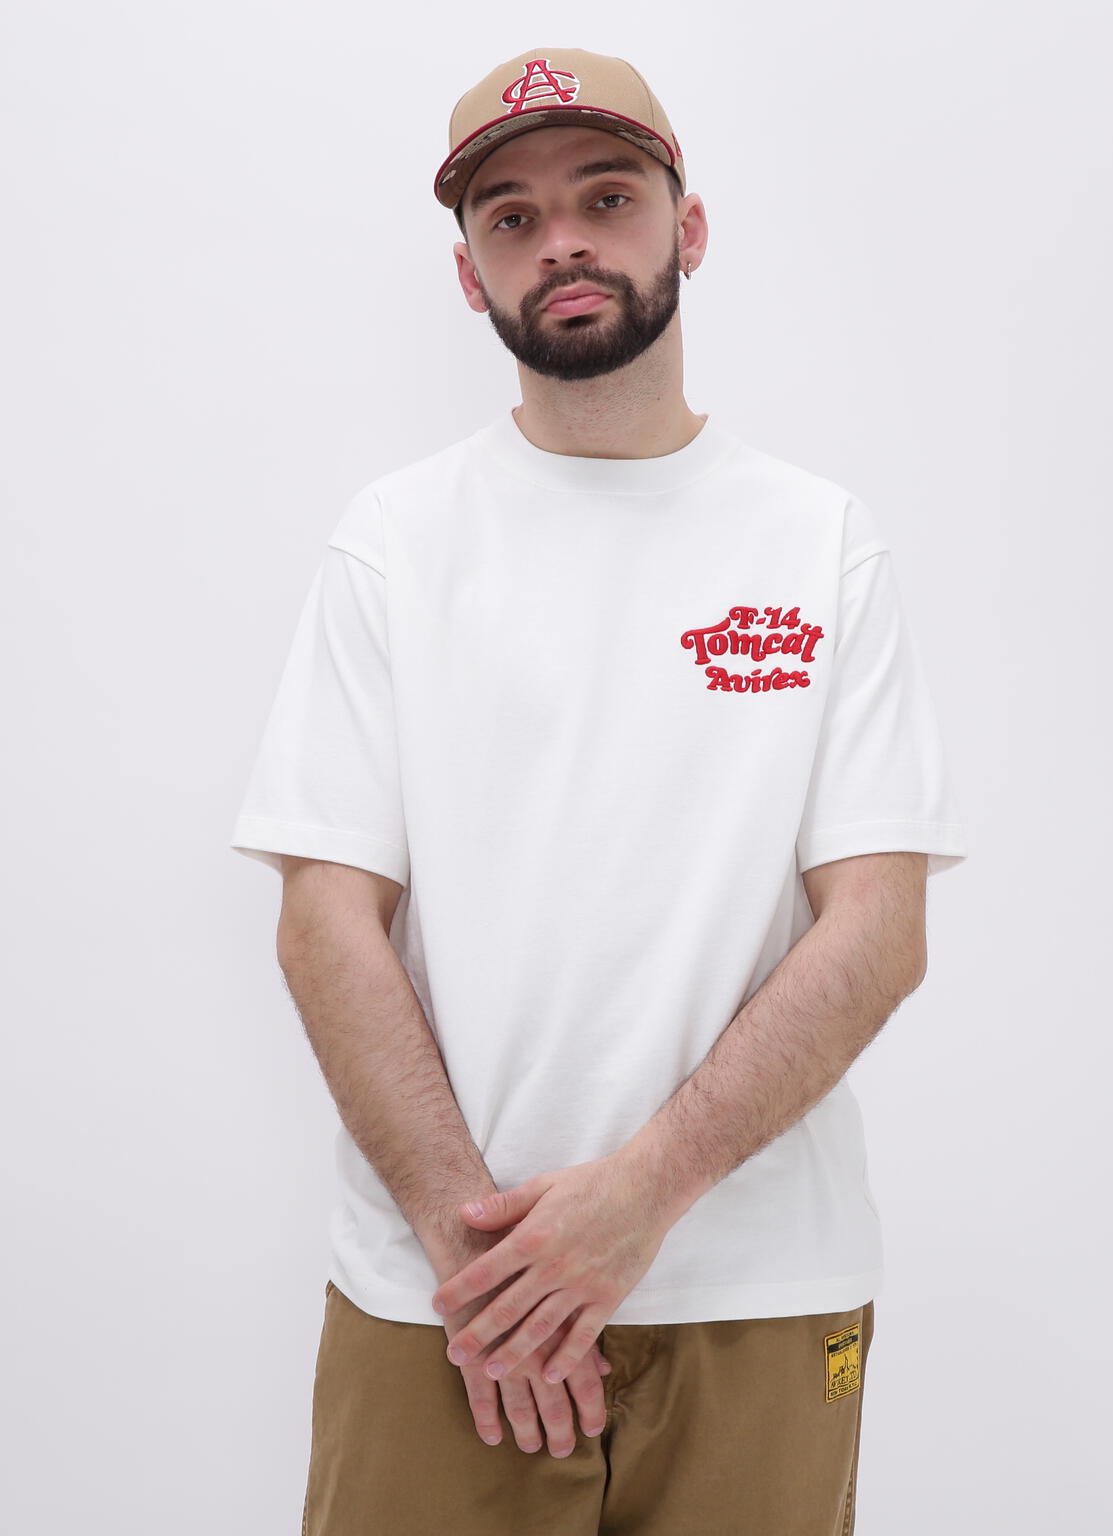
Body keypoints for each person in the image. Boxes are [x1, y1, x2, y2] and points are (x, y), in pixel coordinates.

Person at [230, 45, 968, 1536]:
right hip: (444, 1302)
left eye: (606, 197)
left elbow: (879, 928)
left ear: (687, 228)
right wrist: (483, 1261)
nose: (560, 239)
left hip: (757, 1287)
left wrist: (639, 1200)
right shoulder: (396, 543)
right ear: (471, 276)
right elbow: (326, 920)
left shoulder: (820, 543)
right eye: (511, 217)